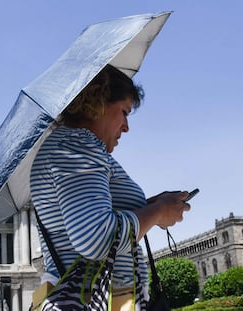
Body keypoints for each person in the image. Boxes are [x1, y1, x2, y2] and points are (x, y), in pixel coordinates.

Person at [30, 64, 190, 310]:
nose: (126, 126)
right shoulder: (77, 145)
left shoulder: (72, 146)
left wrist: (153, 207)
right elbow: (97, 239)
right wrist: (157, 212)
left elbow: (94, 218)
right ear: (98, 103)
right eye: (124, 112)